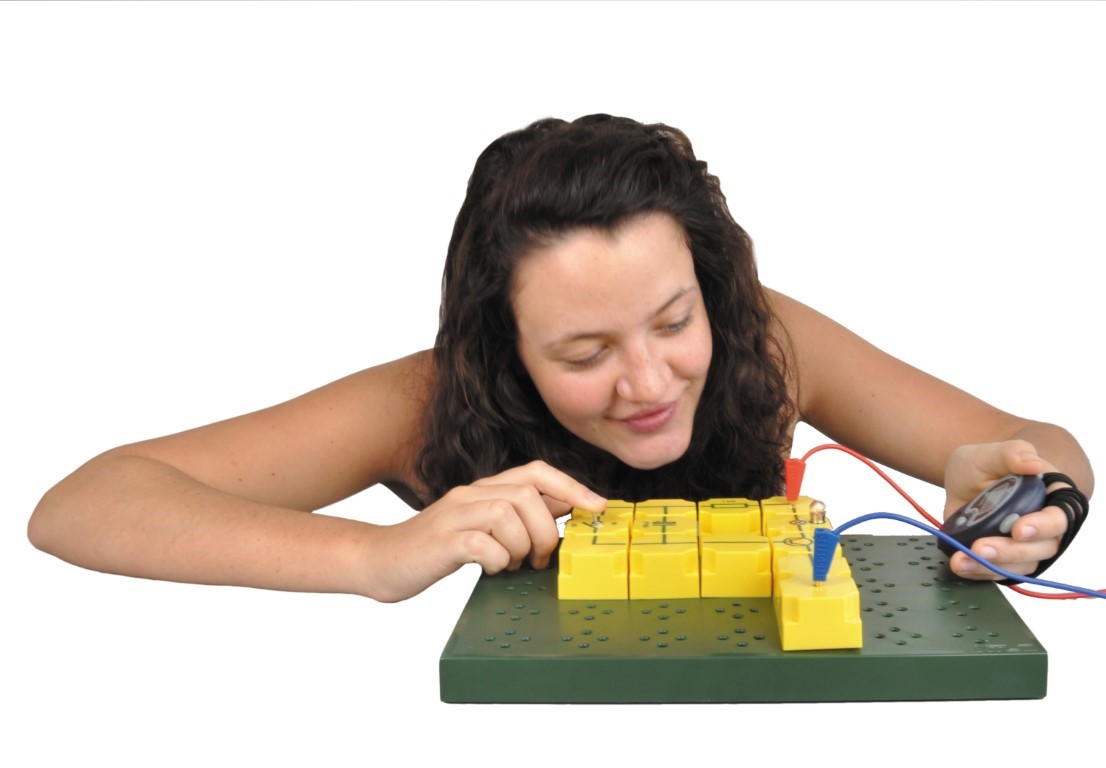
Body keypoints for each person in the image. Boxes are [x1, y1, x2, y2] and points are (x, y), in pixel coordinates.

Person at [27, 114, 1094, 603]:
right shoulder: (426, 401)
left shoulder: (766, 339)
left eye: (672, 322)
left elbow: (1037, 444)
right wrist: (370, 559)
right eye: (585, 351)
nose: (649, 383)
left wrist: (1033, 493)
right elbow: (84, 503)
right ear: (503, 345)